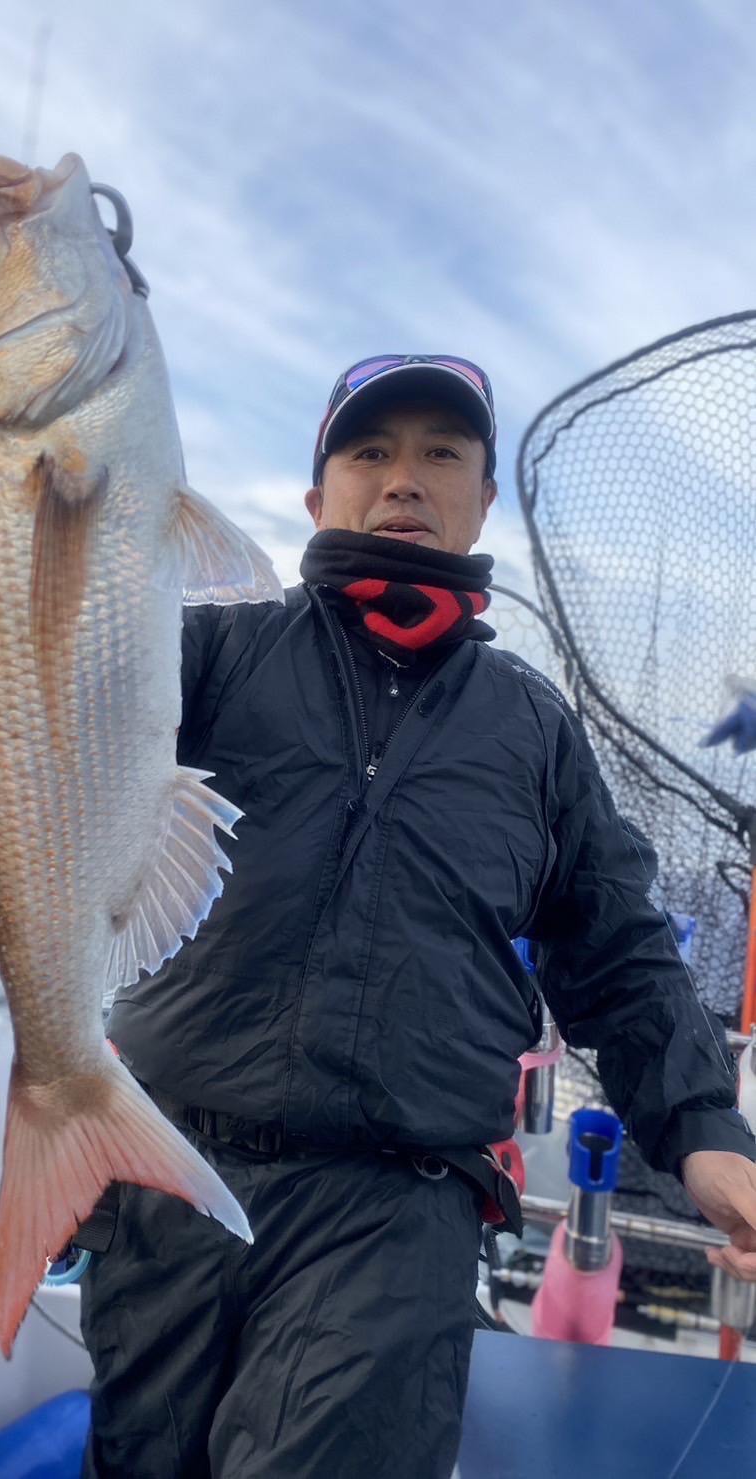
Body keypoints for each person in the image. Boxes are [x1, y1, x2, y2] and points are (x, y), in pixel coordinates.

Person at [79, 353, 756, 1479]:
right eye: (369, 451)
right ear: (317, 497)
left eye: (441, 452)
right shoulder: (203, 652)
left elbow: (619, 950)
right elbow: (52, 697)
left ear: (482, 500)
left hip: (395, 1205)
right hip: (167, 1176)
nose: (403, 477)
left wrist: (702, 1131)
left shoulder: (532, 729)